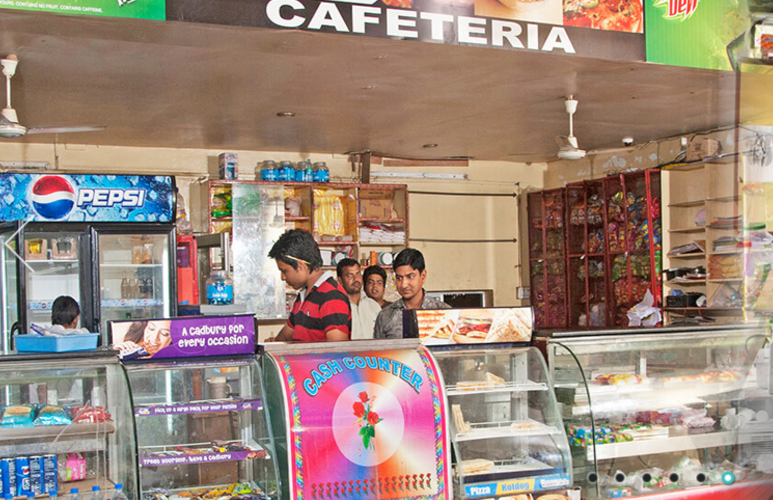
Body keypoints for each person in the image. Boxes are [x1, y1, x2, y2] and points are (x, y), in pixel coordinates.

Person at [267, 228, 351, 342]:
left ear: (300, 265)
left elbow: (336, 352)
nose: (283, 277)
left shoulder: (332, 297)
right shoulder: (304, 295)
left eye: (284, 271)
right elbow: (285, 336)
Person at [374, 248, 450, 339]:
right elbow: (379, 352)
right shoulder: (385, 316)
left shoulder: (444, 313)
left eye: (410, 277)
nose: (404, 284)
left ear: (423, 276)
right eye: (399, 278)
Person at [337, 258, 381, 340]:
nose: (355, 279)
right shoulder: (337, 307)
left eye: (358, 274)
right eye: (349, 275)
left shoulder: (373, 306)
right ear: (340, 280)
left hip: (374, 352)